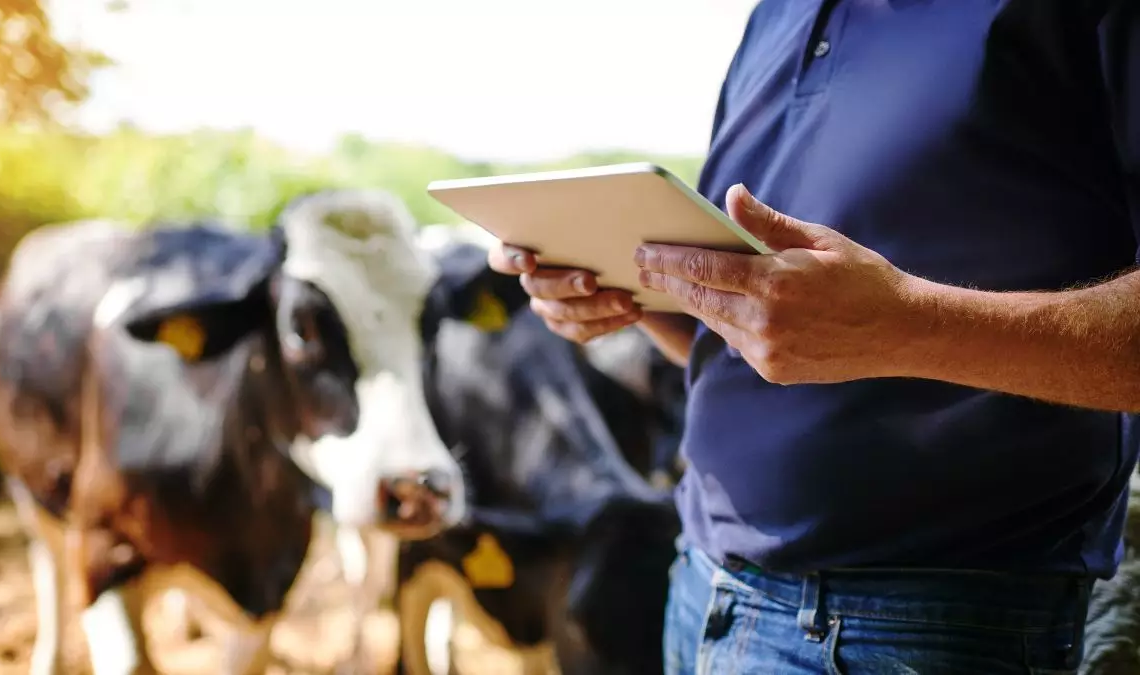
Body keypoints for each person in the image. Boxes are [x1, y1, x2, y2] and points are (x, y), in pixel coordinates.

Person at [487, 2, 1140, 673]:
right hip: (701, 588)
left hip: (924, 622)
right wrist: (628, 293)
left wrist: (907, 323)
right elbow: (776, 339)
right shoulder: (777, 14)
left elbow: (861, 327)